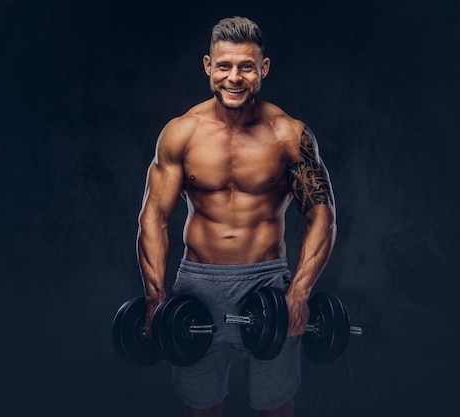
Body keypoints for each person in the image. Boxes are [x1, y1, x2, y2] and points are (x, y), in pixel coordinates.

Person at [136, 16, 336, 417]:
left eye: (246, 66)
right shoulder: (181, 134)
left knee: (275, 405)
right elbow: (153, 217)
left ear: (262, 69)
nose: (234, 77)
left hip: (268, 285)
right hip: (197, 287)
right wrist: (156, 298)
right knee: (202, 406)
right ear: (208, 66)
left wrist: (298, 294)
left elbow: (322, 216)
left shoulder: (288, 134)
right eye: (225, 66)